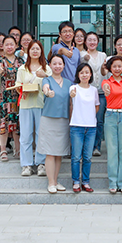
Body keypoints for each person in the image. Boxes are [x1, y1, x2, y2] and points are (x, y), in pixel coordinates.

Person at [99, 55, 122, 193]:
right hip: (110, 115)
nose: (117, 69)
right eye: (114, 66)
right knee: (112, 150)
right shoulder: (106, 82)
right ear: (110, 68)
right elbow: (105, 87)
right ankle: (113, 182)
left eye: (119, 66)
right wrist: (106, 88)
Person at [14, 40, 51, 176]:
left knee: (41, 135)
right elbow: (17, 86)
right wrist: (22, 89)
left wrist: (45, 76)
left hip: (42, 105)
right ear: (28, 51)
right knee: (25, 135)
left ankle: (41, 163)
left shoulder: (46, 68)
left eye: (37, 49)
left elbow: (53, 83)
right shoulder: (22, 69)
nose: (35, 51)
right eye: (32, 49)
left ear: (41, 51)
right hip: (26, 105)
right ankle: (26, 164)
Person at [37, 55, 73, 192]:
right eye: (54, 63)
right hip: (49, 119)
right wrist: (48, 92)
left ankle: (56, 181)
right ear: (50, 65)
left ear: (63, 65)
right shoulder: (47, 80)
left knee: (59, 153)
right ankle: (50, 183)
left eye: (60, 63)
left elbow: (71, 102)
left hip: (63, 120)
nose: (57, 66)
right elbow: (45, 89)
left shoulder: (69, 83)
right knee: (50, 153)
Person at [68, 65, 101, 193]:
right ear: (78, 75)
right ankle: (76, 181)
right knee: (76, 157)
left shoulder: (94, 90)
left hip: (91, 127)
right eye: (81, 72)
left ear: (91, 74)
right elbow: (71, 94)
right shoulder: (74, 88)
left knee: (87, 157)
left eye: (87, 72)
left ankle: (85, 182)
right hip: (77, 126)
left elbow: (96, 106)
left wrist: (89, 116)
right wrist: (72, 94)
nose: (84, 75)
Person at [0, 34, 21, 160]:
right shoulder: (0, 60)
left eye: (11, 44)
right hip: (4, 97)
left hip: (18, 97)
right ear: (2, 46)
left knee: (17, 125)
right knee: (3, 124)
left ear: (16, 46)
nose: (9, 47)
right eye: (6, 44)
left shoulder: (21, 61)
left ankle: (18, 150)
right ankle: (3, 150)